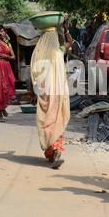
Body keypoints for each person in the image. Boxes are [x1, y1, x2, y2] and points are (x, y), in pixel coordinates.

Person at [30, 16, 72, 169]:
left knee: (46, 121)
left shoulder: (38, 52)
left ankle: (53, 152)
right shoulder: (57, 51)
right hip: (57, 93)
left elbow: (33, 74)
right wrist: (66, 28)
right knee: (56, 120)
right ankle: (54, 151)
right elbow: (69, 43)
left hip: (44, 93)